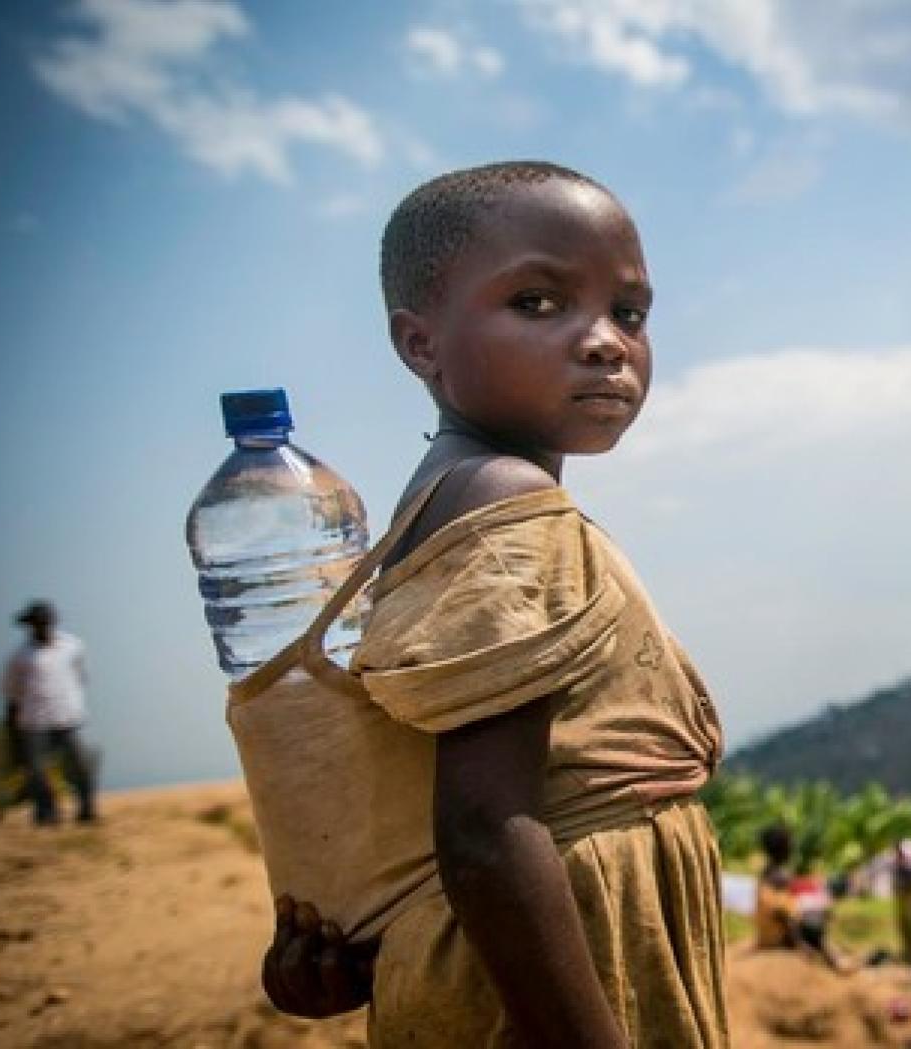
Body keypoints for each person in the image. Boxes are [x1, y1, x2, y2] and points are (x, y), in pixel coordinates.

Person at [259, 161, 727, 1048]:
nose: (606, 342)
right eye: (540, 303)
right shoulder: (499, 500)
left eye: (629, 312)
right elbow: (483, 833)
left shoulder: (459, 498)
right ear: (419, 343)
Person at [0, 601, 96, 826]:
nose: (40, 626)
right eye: (36, 623)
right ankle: (46, 813)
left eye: (44, 621)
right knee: (36, 770)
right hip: (34, 722)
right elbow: (12, 694)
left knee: (79, 764)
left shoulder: (72, 647)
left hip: (67, 716)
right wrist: (12, 730)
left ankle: (87, 809)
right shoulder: (20, 657)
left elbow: (81, 677)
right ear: (30, 626)